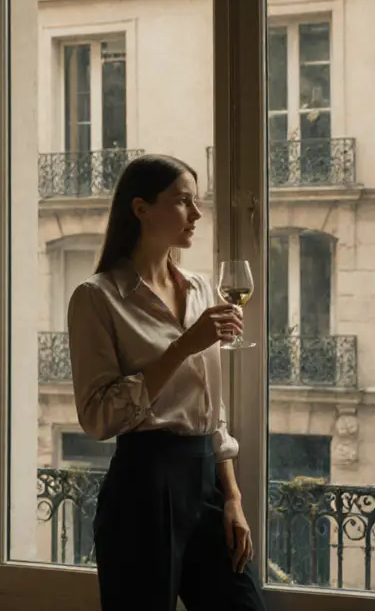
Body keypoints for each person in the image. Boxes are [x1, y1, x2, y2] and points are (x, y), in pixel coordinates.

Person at [67, 154, 266, 611]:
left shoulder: (200, 289)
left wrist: (232, 498)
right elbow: (97, 418)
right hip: (142, 487)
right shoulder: (97, 298)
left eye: (196, 201)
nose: (196, 213)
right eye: (182, 201)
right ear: (141, 209)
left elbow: (212, 408)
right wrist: (182, 347)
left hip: (206, 483)